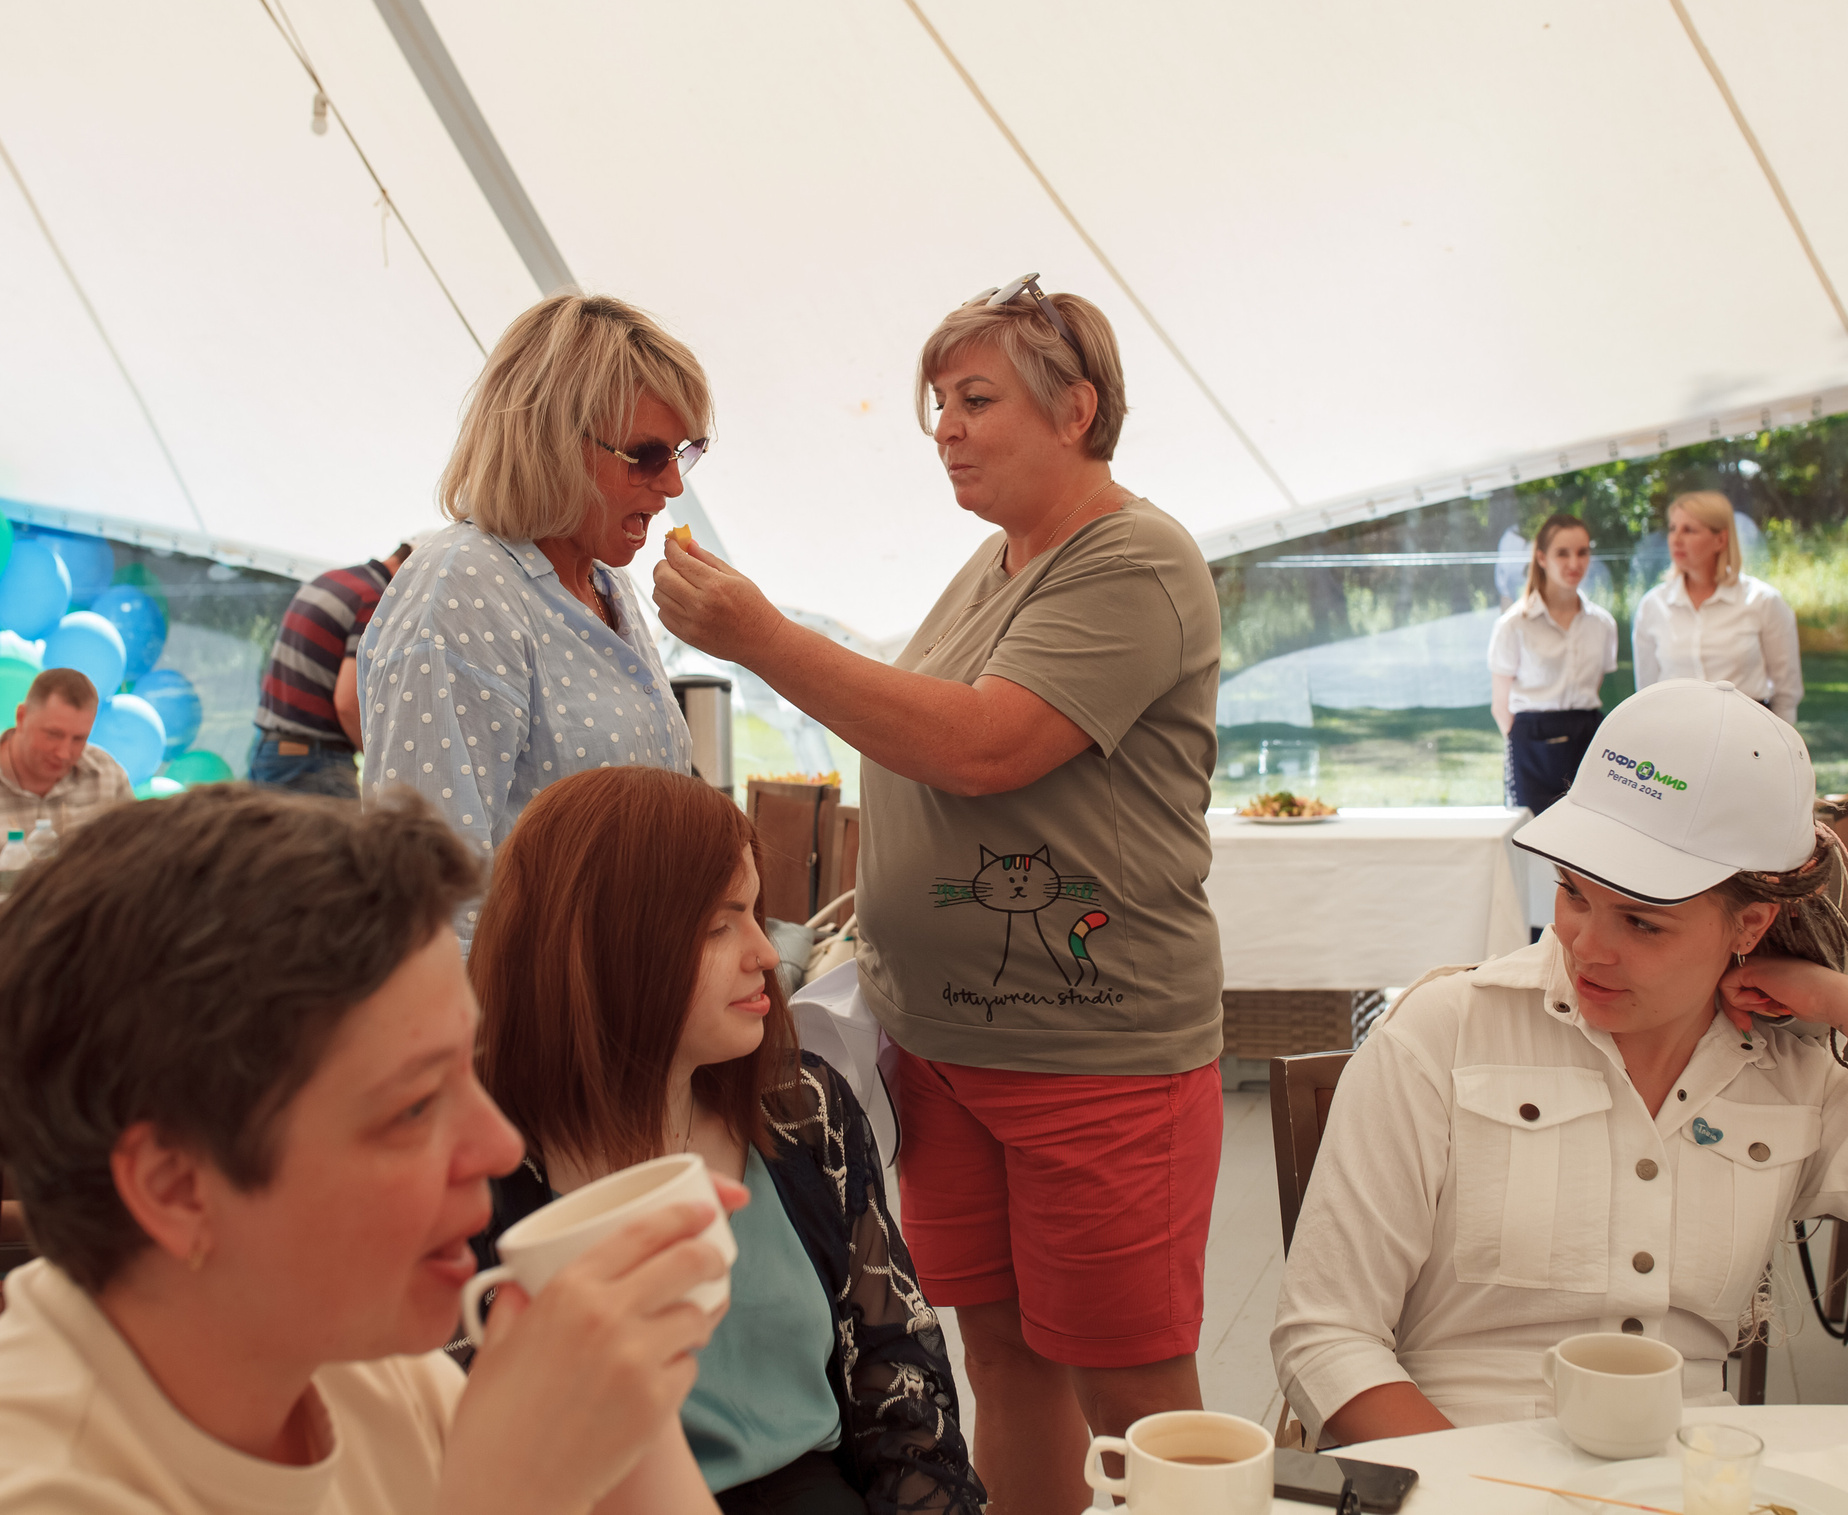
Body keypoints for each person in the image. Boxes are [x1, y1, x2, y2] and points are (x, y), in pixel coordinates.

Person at [654, 274, 1223, 1515]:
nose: (945, 429)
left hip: (1094, 1056)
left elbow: (980, 746)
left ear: (1075, 409)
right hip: (953, 1045)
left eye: (975, 399)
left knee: (1137, 1394)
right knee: (1003, 1358)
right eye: (939, 403)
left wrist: (756, 636)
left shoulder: (1132, 558)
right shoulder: (996, 562)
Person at [0, 785, 738, 1515]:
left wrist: (624, 1403)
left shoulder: (357, 1371)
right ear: (176, 1187)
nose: (497, 1145)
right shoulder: (10, 1490)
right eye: (414, 1107)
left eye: (472, 1068)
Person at [1271, 679, 1848, 1438]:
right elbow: (1326, 1336)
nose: (1588, 946)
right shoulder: (1443, 1034)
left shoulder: (1789, 1078)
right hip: (1452, 1471)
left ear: (1748, 927)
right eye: (1572, 891)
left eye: (1643, 921)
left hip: (1690, 1477)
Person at [470, 766, 982, 1515]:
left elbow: (902, 1386)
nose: (767, 954)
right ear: (604, 946)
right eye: (718, 924)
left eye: (755, 913)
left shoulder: (803, 1108)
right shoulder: (476, 1166)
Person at [358, 295, 708, 940]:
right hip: (536, 1025)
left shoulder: (604, 581)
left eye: (685, 452)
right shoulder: (462, 586)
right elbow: (429, 897)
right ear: (550, 441)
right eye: (647, 455)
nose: (673, 485)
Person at [0, 666, 133, 879]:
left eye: (79, 739)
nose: (64, 753)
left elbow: (137, 865)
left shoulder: (107, 775)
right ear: (21, 717)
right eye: (53, 734)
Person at [250, 540, 413, 796]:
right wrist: (384, 765)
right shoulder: (374, 600)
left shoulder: (333, 578)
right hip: (313, 762)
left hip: (270, 749)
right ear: (412, 566)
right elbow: (347, 704)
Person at [1631, 491, 1803, 723]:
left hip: (1747, 737)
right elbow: (1646, 694)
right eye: (1672, 529)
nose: (1676, 539)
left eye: (1689, 530)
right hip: (1676, 734)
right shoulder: (1653, 606)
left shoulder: (1763, 601)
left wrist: (1783, 749)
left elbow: (1786, 693)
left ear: (1720, 540)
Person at [1489, 514, 1618, 813]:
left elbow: (1593, 685)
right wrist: (1528, 747)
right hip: (1531, 744)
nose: (1575, 563)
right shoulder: (1513, 625)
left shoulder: (1603, 624)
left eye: (1582, 552)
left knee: (1588, 839)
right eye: (1563, 553)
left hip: (1587, 740)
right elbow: (1500, 707)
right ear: (1542, 558)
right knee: (1534, 842)